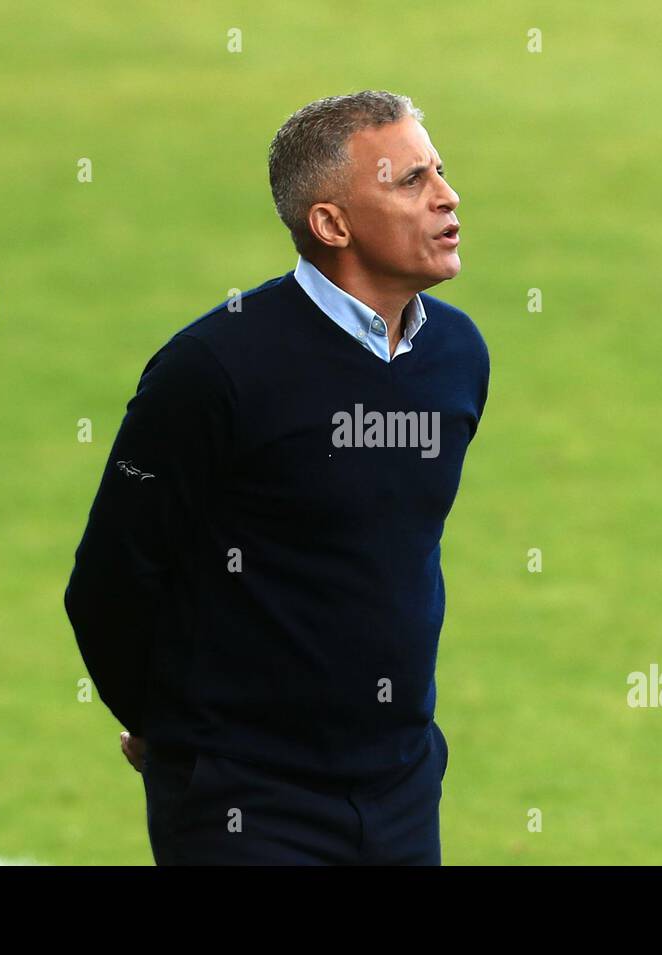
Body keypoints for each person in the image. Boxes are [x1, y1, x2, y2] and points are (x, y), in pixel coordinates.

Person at [64, 90, 489, 865]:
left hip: (401, 784)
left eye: (441, 171)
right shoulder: (215, 369)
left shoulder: (456, 358)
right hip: (247, 801)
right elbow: (109, 577)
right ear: (330, 225)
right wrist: (168, 728)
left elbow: (385, 549)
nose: (446, 196)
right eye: (408, 180)